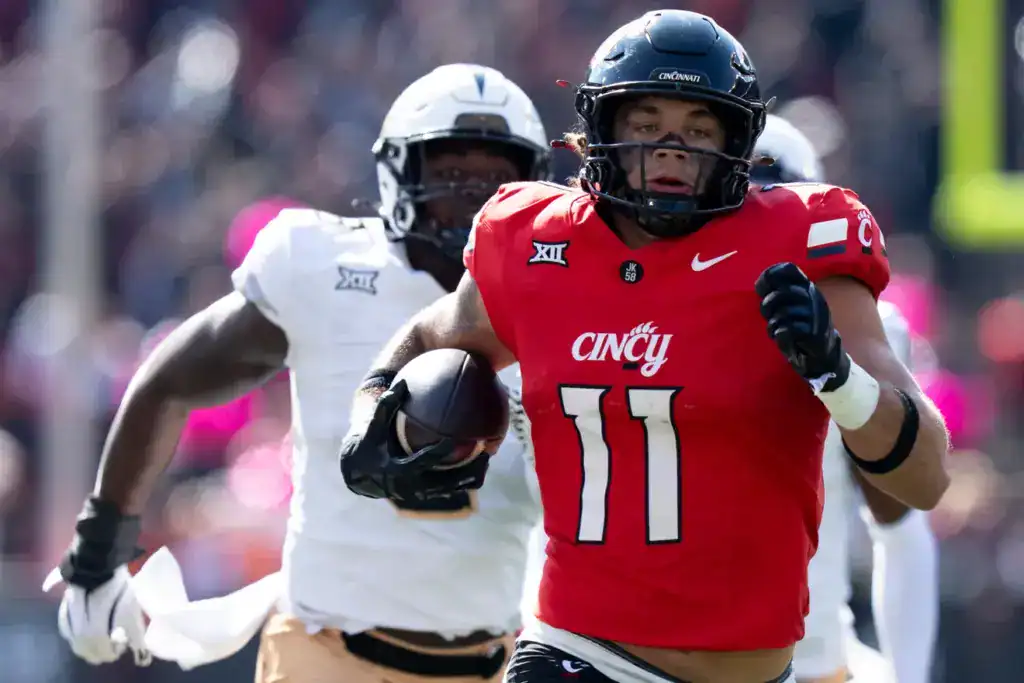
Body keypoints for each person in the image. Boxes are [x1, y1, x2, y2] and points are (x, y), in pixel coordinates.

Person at [340, 11, 951, 683]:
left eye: (698, 128)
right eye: (646, 124)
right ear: (602, 129)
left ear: (737, 141)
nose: (670, 149)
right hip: (577, 652)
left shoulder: (801, 245)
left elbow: (925, 479)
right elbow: (431, 336)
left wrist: (837, 376)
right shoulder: (538, 244)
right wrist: (371, 412)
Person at [44, 63, 551, 683]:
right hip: (325, 655)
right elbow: (167, 382)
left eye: (495, 178)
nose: (473, 196)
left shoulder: (561, 301)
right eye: (450, 172)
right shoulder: (324, 268)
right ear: (400, 173)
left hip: (491, 663)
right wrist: (98, 552)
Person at [752, 114, 939, 683]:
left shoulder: (864, 329)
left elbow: (902, 521)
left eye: (774, 204)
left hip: (811, 664)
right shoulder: (641, 320)